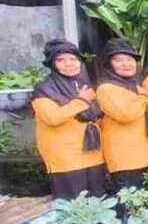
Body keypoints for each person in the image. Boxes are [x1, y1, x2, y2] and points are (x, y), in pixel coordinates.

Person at [31, 39, 104, 199]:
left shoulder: (83, 84)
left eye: (73, 59)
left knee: (98, 203)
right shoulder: (44, 89)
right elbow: (53, 118)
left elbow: (95, 117)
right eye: (61, 60)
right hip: (65, 158)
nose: (68, 64)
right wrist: (81, 101)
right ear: (52, 64)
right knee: (73, 206)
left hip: (92, 153)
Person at [96, 38, 148, 191]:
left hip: (140, 152)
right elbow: (125, 114)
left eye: (129, 59)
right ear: (109, 64)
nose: (126, 64)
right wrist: (142, 98)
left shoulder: (134, 85)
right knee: (128, 202)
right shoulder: (106, 88)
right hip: (124, 156)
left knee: (143, 201)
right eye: (118, 60)